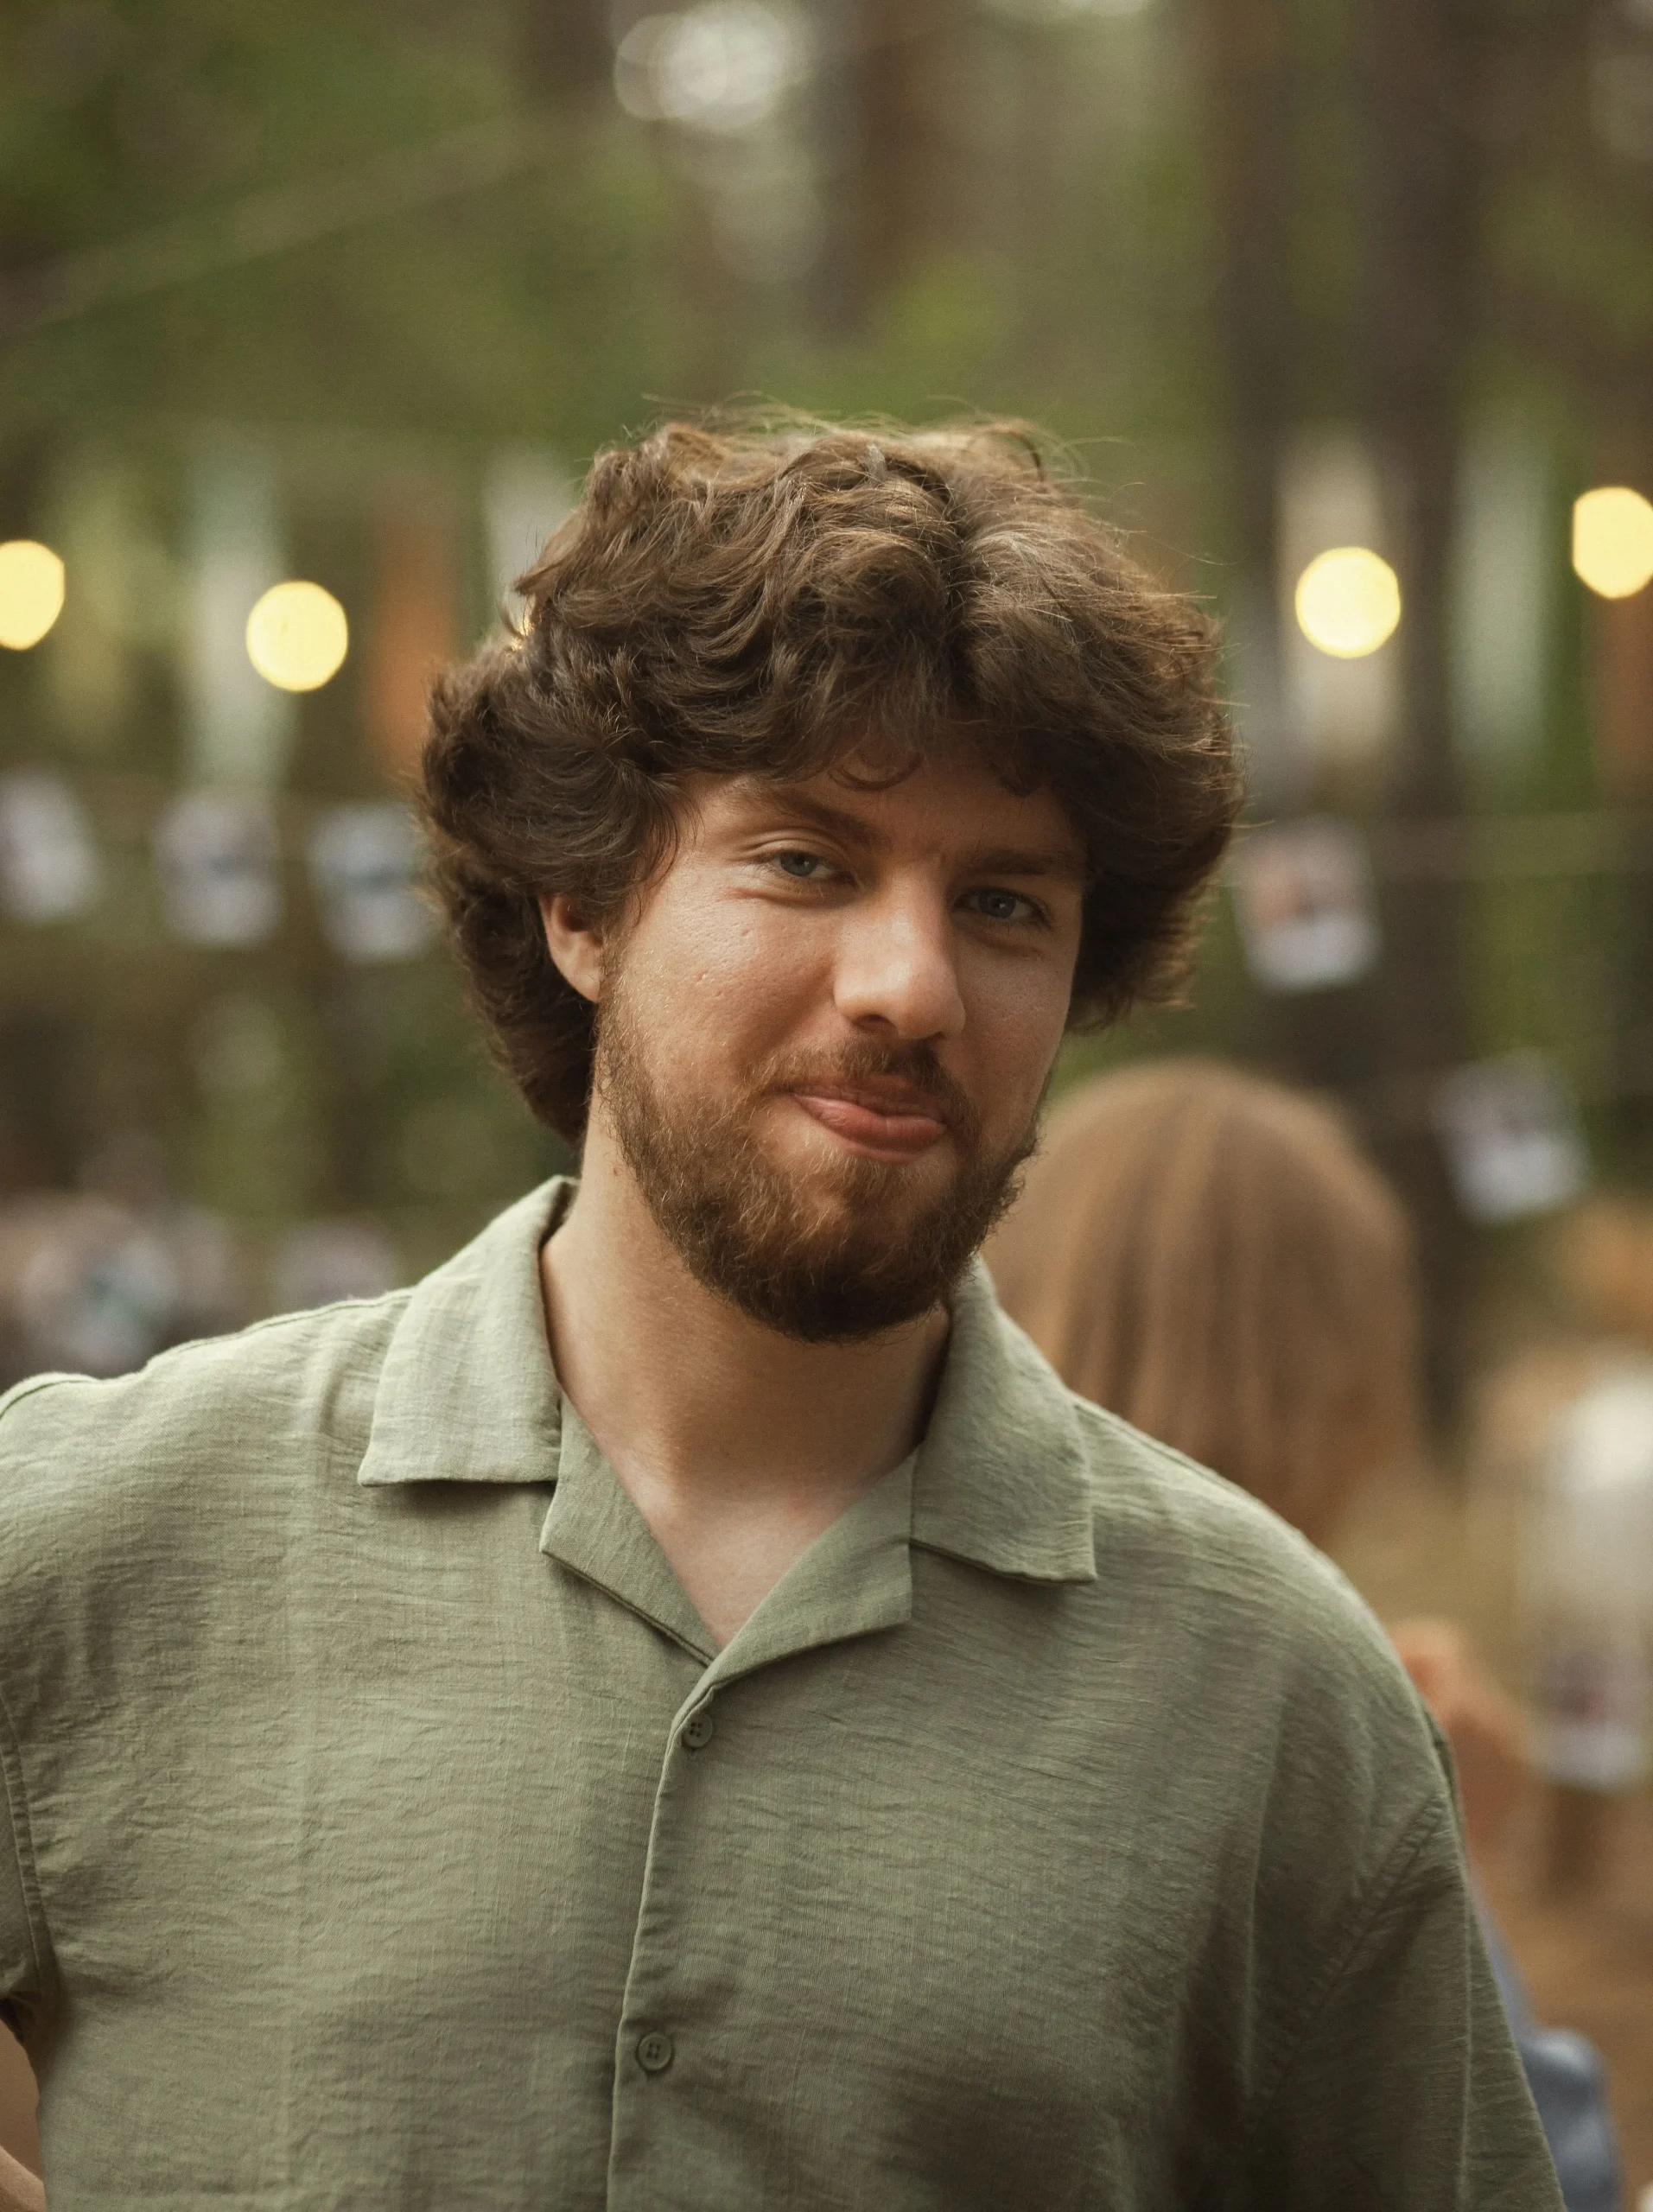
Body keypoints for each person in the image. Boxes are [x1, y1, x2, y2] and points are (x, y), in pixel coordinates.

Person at [0, 420, 1561, 2210]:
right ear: (582, 902)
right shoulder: (101, 1532)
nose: (908, 984)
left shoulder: (1279, 1698)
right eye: (806, 861)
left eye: (1002, 902)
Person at [986, 1054, 1619, 2212]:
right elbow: (1531, 2176)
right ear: (1337, 1381)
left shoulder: (916, 1644)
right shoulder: (1315, 1724)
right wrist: (1439, 1858)